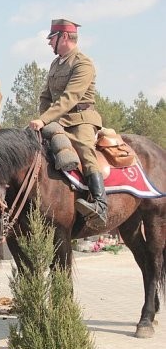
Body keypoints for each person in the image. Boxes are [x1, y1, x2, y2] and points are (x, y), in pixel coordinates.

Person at [29, 19, 106, 229]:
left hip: (81, 120)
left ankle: (100, 203)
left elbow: (70, 97)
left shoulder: (83, 63)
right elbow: (45, 96)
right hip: (58, 121)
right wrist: (44, 119)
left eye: (51, 38)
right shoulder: (56, 63)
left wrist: (44, 119)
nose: (48, 43)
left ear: (63, 37)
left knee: (84, 149)